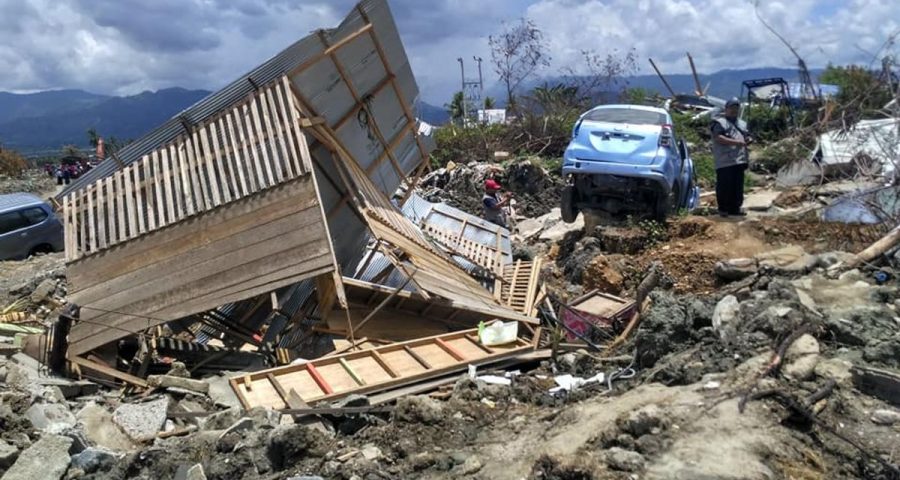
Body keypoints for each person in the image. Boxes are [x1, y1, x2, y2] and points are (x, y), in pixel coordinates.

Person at [711, 97, 752, 217]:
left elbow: (748, 135)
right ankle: (723, 209)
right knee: (725, 185)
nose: (734, 110)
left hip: (739, 160)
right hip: (725, 161)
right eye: (732, 108)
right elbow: (718, 137)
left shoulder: (742, 123)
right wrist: (737, 143)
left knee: (737, 186)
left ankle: (735, 208)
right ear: (726, 109)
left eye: (736, 108)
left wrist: (749, 139)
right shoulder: (719, 122)